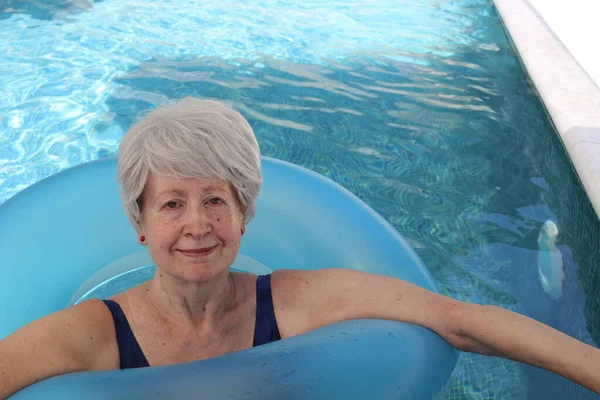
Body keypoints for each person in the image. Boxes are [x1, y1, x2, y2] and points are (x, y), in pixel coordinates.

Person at [0, 98, 598, 398]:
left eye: (216, 200)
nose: (197, 225)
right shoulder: (97, 334)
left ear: (245, 211)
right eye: (172, 204)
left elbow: (461, 321)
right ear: (139, 223)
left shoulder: (287, 302)